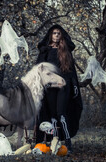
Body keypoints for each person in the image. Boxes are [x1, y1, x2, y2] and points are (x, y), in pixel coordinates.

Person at [35, 24, 83, 152]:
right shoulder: (45, 50)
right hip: (50, 86)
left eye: (58, 33)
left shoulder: (65, 50)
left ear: (61, 35)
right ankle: (55, 142)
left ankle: (68, 143)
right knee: (52, 115)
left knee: (61, 114)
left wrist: (74, 85)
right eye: (54, 33)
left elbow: (71, 70)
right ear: (50, 35)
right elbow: (39, 68)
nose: (56, 35)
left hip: (63, 85)